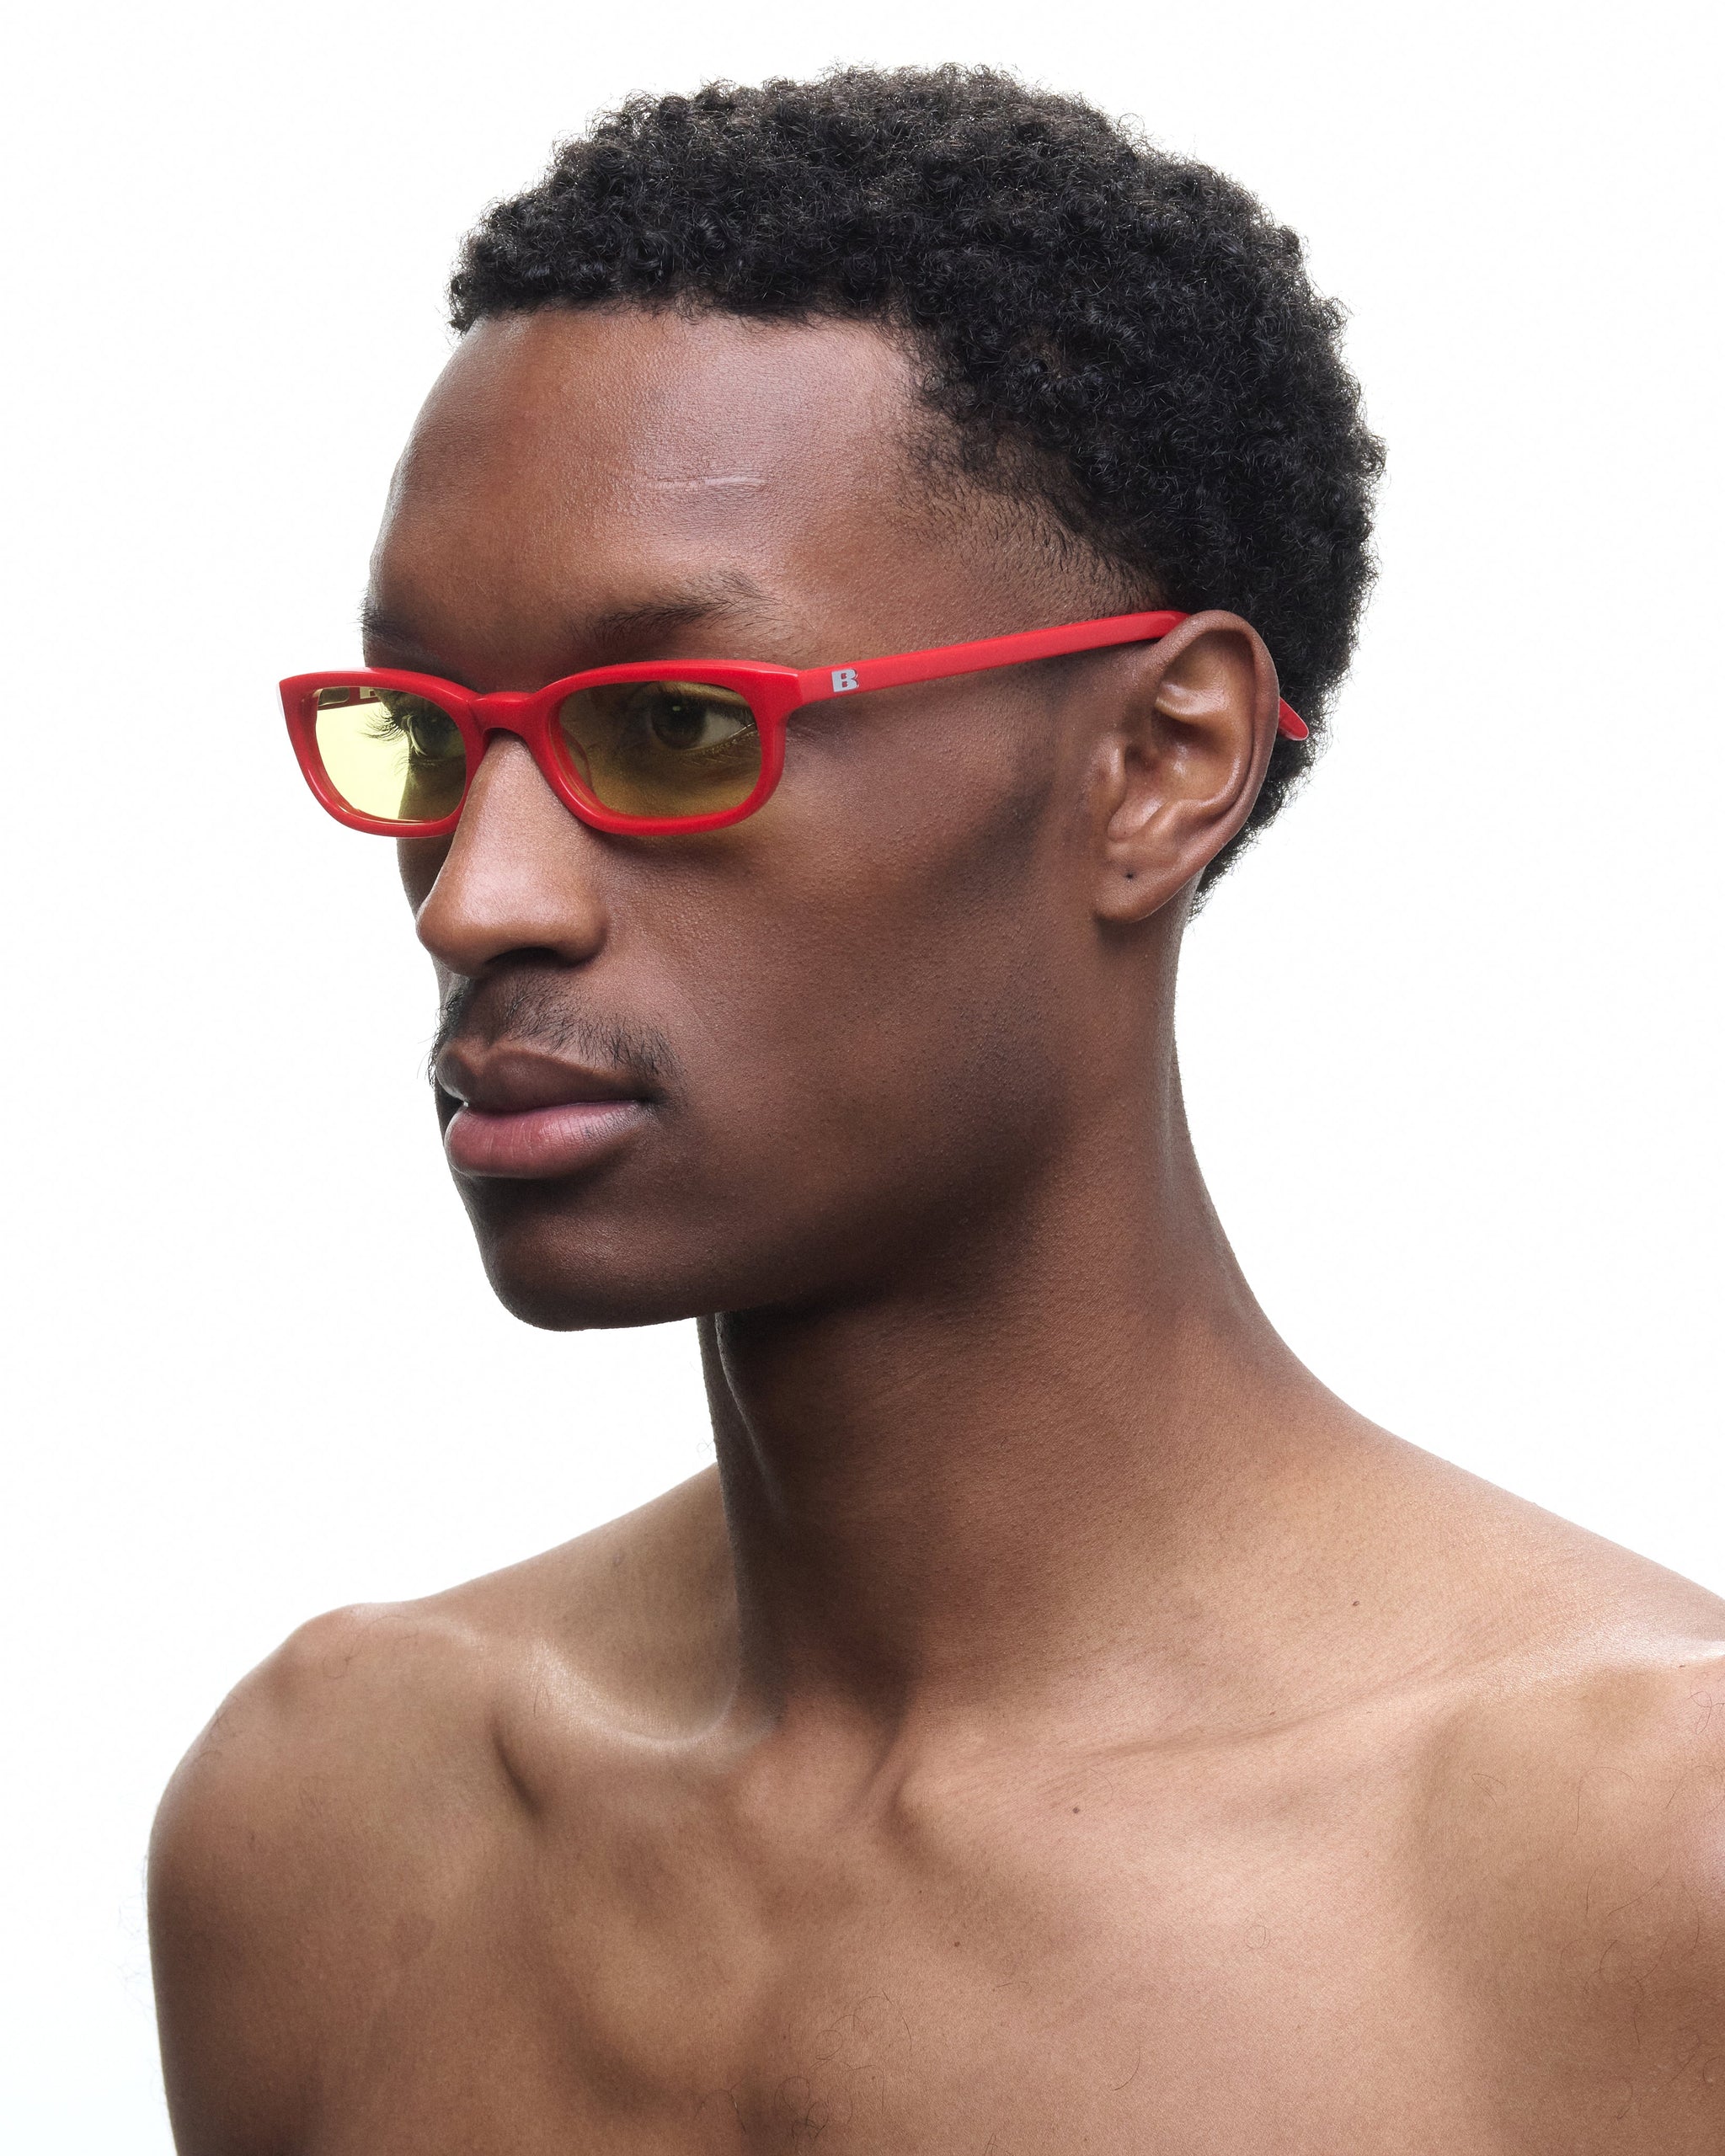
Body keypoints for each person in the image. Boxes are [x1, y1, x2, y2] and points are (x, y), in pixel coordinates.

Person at [148, 66, 1725, 2153]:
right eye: (428, 740)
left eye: (675, 722)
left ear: (1160, 763)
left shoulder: (1636, 1869)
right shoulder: (325, 1829)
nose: (476, 894)